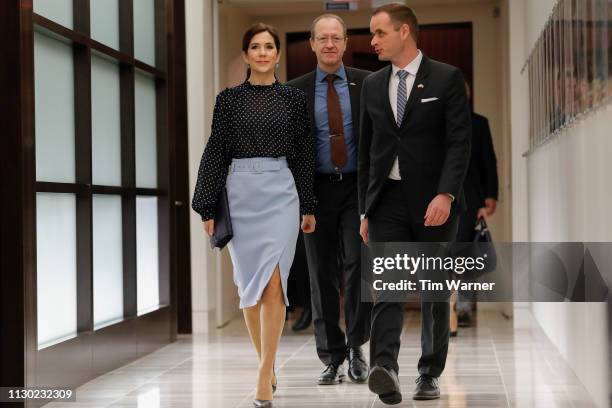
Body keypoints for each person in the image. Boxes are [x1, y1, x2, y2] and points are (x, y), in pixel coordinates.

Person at [191, 23, 316, 408]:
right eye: (255, 47)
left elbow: (304, 154)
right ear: (246, 55)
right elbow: (216, 149)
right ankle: (268, 363)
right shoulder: (227, 100)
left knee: (275, 282)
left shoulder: (294, 100)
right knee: (250, 288)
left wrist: (308, 204)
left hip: (281, 192)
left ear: (278, 55)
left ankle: (264, 374)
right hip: (240, 192)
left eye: (269, 47)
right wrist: (206, 203)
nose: (263, 53)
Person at [359, 4, 471, 403]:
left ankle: (429, 372)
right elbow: (367, 152)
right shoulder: (373, 85)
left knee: (434, 291)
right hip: (386, 200)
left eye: (379, 33)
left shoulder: (446, 77)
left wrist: (447, 193)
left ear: (404, 31)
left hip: (433, 203)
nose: (372, 41)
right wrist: (365, 209)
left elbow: (460, 141)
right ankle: (384, 366)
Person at [287, 14, 372, 385]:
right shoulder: (295, 91)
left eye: (336, 38)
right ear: (312, 44)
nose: (329, 45)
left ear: (345, 42)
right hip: (314, 192)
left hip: (356, 188)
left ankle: (356, 348)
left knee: (356, 268)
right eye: (322, 38)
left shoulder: (367, 84)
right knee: (320, 275)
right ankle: (331, 355)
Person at [449, 82, 499, 334]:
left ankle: (465, 307)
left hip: (471, 197)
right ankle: (445, 307)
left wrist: (491, 195)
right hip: (441, 197)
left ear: (468, 94)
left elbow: (488, 159)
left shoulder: (479, 123)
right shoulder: (437, 122)